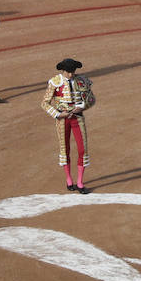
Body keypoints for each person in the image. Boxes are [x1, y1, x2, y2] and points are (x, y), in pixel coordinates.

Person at [42, 58, 95, 193]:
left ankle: (80, 182)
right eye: (68, 72)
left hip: (78, 118)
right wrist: (58, 114)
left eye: (73, 72)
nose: (71, 75)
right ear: (63, 70)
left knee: (83, 149)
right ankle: (69, 180)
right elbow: (44, 103)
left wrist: (82, 106)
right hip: (62, 119)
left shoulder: (82, 81)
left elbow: (91, 99)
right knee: (64, 149)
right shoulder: (55, 82)